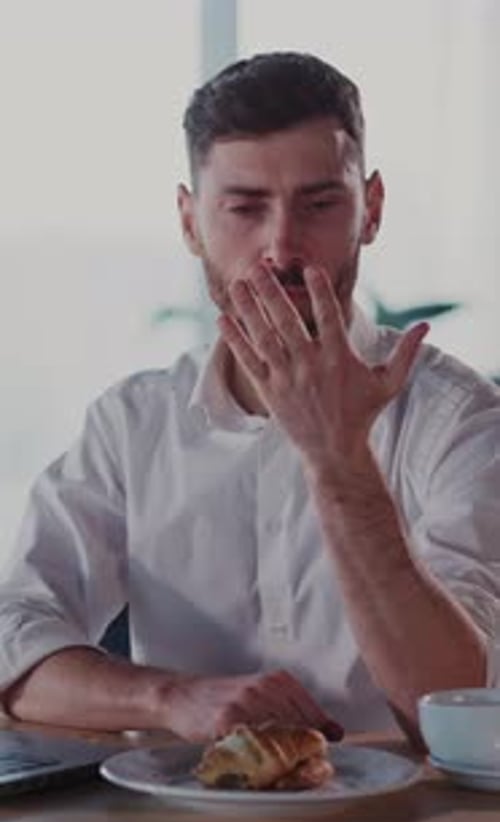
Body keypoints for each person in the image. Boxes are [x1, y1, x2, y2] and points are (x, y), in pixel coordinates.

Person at [1, 51, 499, 748]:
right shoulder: (132, 425)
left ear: (372, 209)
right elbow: (13, 645)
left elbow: (459, 709)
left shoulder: (458, 420)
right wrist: (171, 698)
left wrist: (338, 461)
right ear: (189, 220)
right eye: (244, 207)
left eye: (320, 204)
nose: (281, 247)